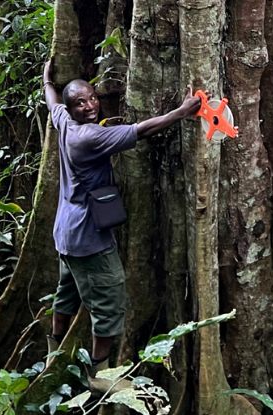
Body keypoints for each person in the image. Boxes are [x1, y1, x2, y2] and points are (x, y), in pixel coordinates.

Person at [42, 59, 202, 394]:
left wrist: (47, 78)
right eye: (80, 103)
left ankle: (53, 351)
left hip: (66, 232)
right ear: (73, 110)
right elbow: (142, 130)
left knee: (66, 293)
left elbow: (51, 100)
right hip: (88, 238)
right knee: (110, 300)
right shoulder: (88, 136)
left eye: (91, 99)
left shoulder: (62, 121)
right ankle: (99, 374)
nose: (89, 106)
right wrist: (182, 111)